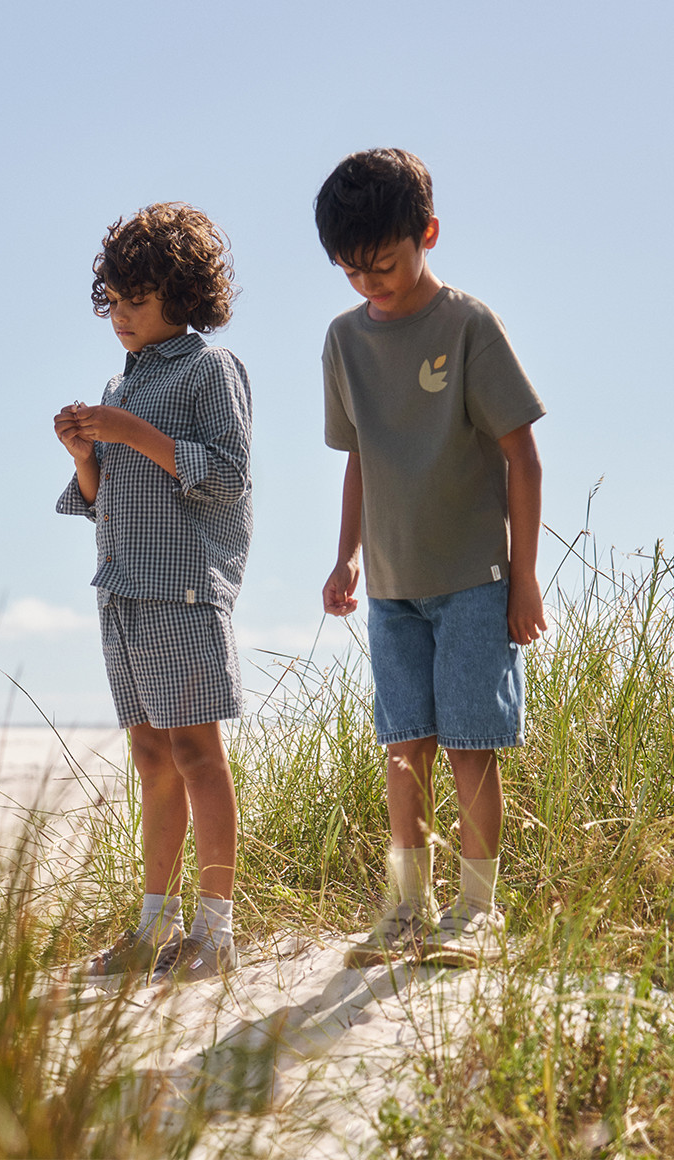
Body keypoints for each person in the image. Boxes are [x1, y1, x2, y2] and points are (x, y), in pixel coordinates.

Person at [315, 149, 546, 968]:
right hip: (391, 588)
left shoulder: (468, 324)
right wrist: (344, 558)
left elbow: (523, 456)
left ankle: (478, 913)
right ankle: (405, 909)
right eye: (350, 269)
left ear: (428, 234)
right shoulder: (343, 342)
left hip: (475, 584)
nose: (368, 282)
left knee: (468, 743)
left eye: (382, 263)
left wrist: (524, 578)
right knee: (403, 743)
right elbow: (359, 459)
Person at [54, 203, 253, 983]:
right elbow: (102, 500)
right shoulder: (119, 383)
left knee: (198, 752)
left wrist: (127, 431)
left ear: (181, 292)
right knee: (149, 755)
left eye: (137, 299)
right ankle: (153, 927)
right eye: (115, 301)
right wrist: (83, 454)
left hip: (183, 590)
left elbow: (231, 477)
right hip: (123, 589)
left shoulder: (213, 368)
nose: (122, 316)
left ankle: (218, 932)